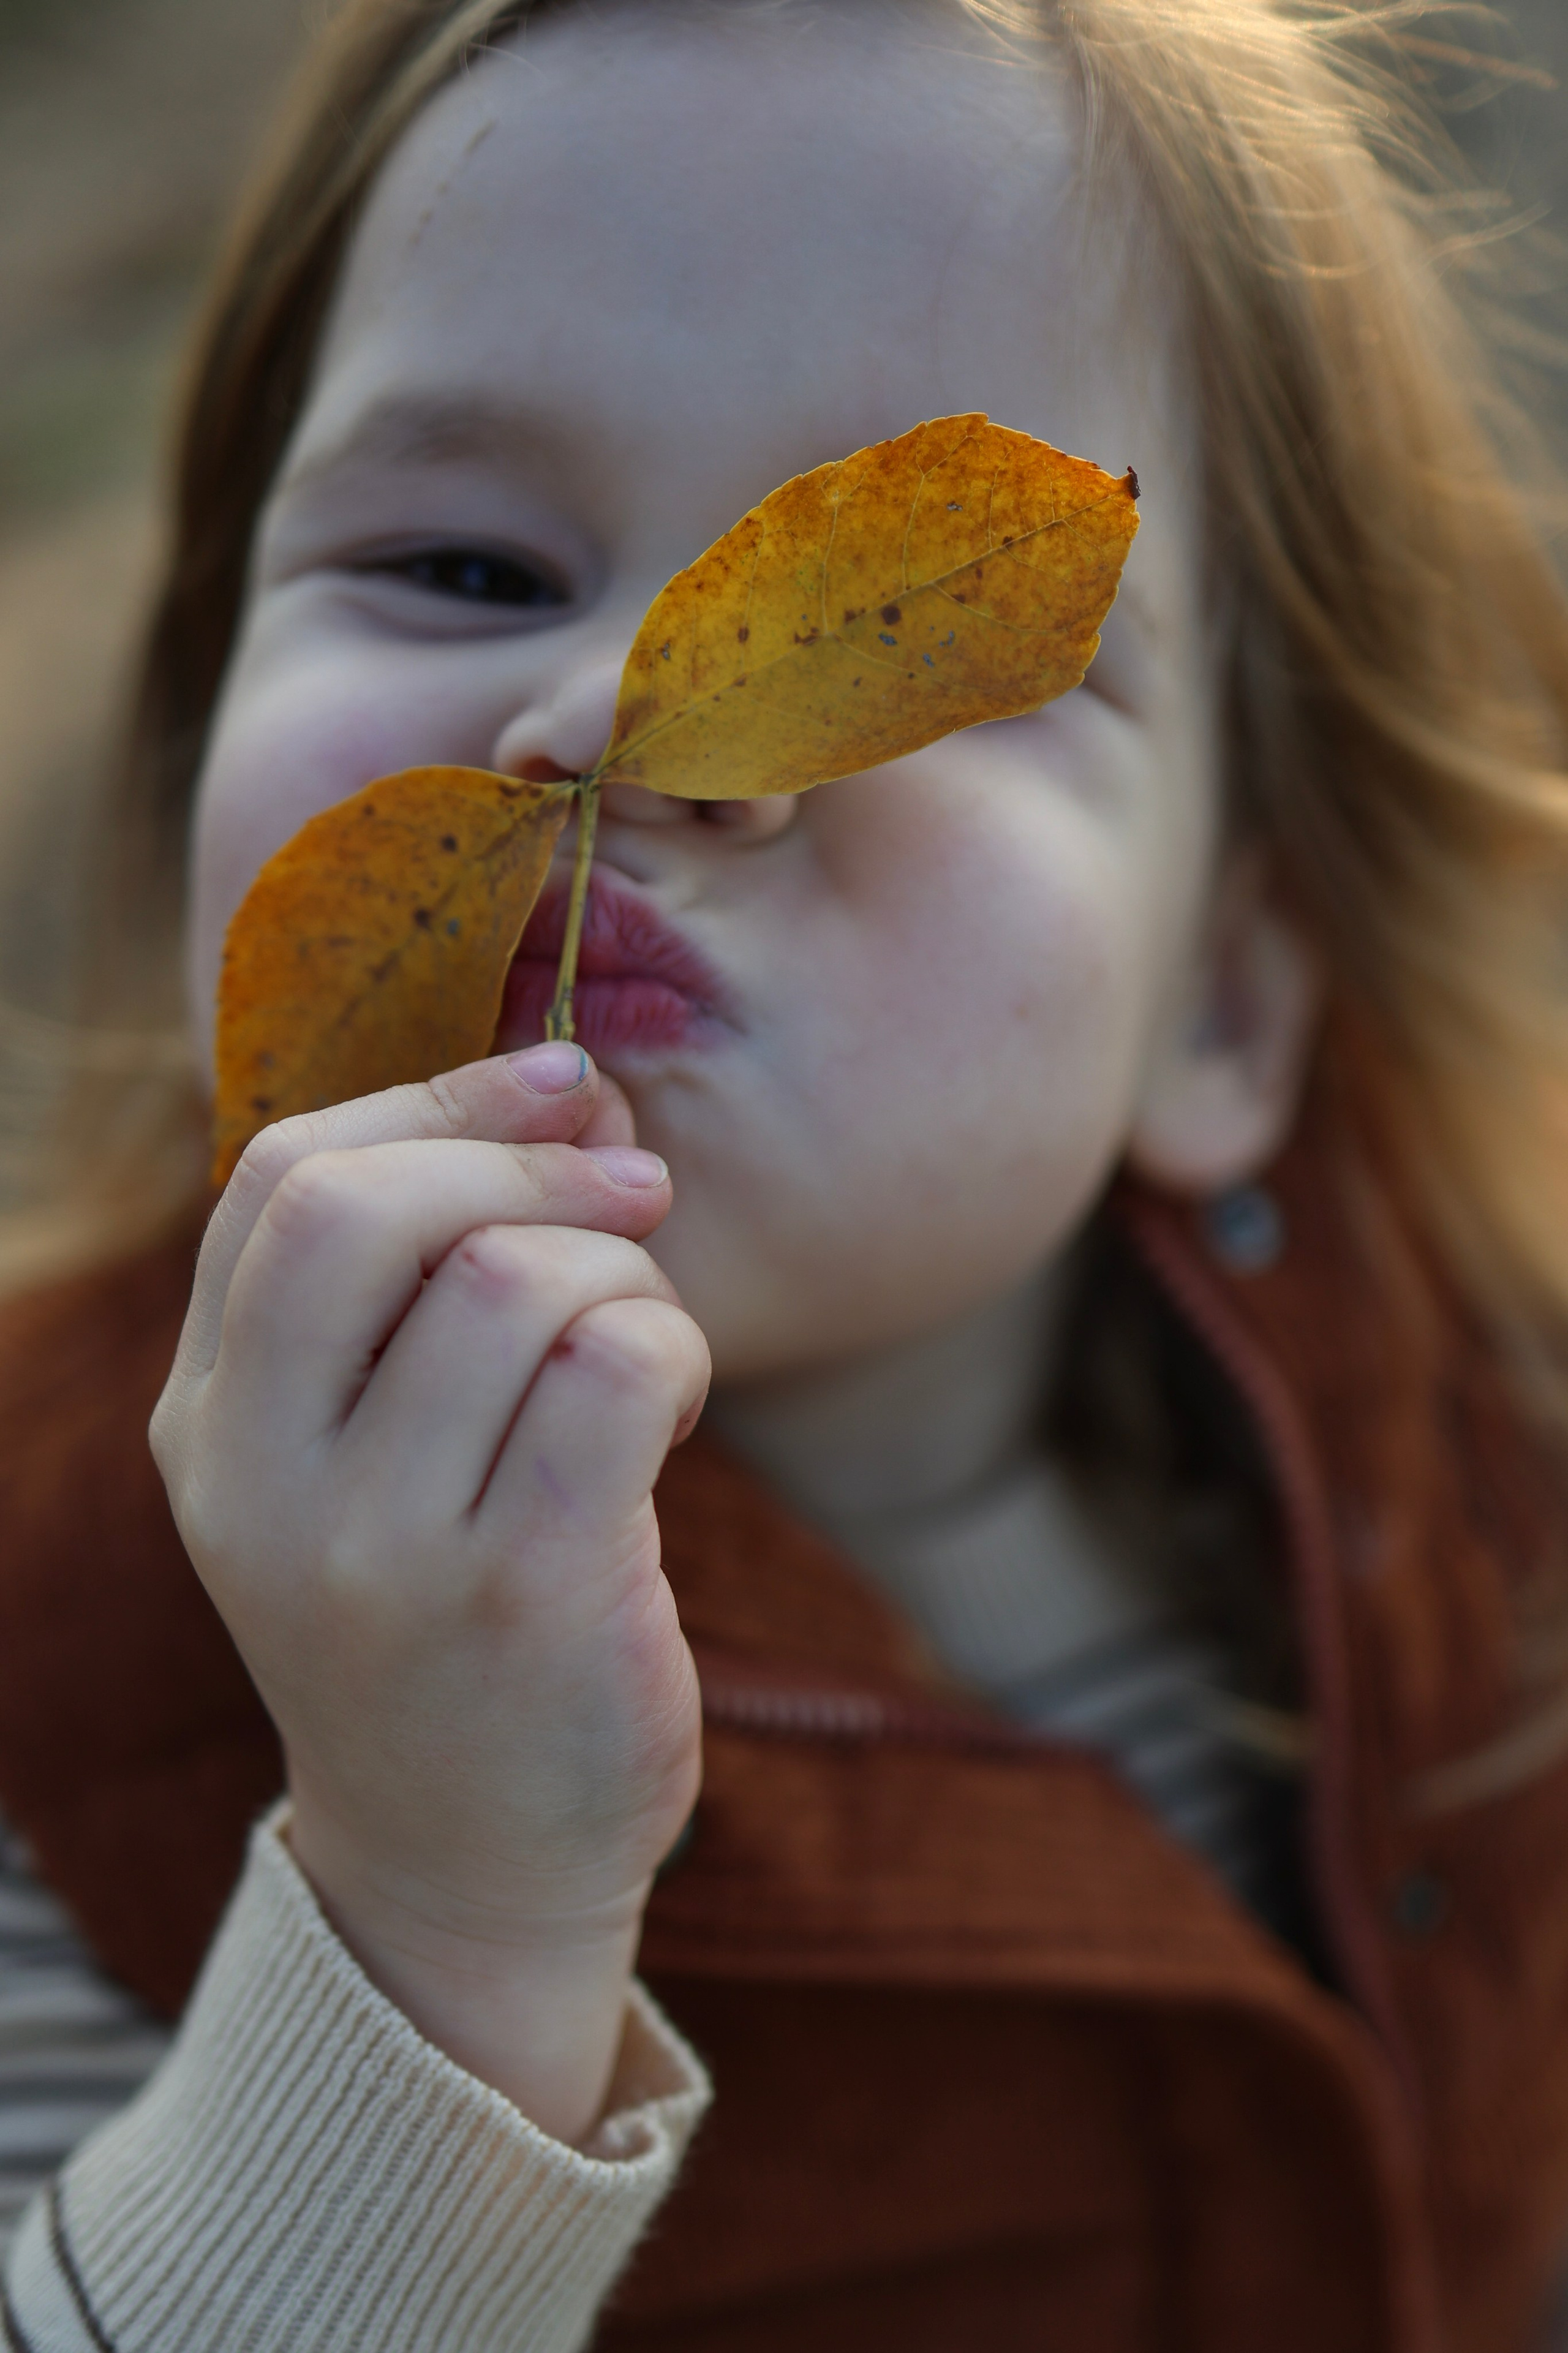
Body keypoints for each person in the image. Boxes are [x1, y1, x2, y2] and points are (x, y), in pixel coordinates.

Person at [3, 0, 1568, 2344]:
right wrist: (430, 1927)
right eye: (456, 563)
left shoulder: (1475, 1517)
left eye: (912, 645)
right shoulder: (56, 1649)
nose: (617, 727)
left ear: (1225, 1000)